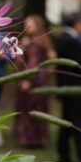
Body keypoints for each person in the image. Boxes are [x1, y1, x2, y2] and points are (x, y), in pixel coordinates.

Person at [54, 13, 81, 162]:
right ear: (77, 23)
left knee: (66, 124)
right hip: (75, 89)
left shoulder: (62, 38)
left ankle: (64, 156)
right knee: (80, 124)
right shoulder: (72, 41)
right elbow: (80, 66)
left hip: (65, 88)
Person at [15, 14, 55, 148]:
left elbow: (48, 58)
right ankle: (31, 139)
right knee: (28, 109)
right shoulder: (27, 40)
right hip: (32, 79)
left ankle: (36, 139)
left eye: (30, 23)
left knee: (36, 109)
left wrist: (45, 73)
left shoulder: (40, 41)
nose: (27, 26)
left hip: (36, 80)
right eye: (26, 23)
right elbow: (20, 62)